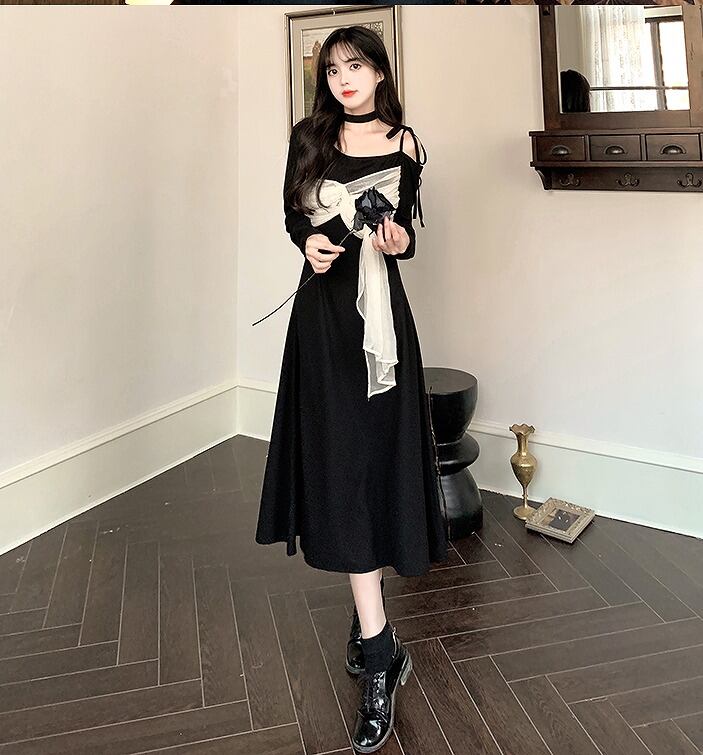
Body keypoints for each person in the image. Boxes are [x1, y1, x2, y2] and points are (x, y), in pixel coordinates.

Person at [254, 24, 449, 753]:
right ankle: (378, 647)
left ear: (379, 73)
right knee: (341, 467)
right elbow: (292, 215)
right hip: (323, 321)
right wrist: (306, 240)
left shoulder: (406, 144)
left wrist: (397, 240)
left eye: (356, 66)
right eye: (332, 68)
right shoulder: (308, 137)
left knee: (374, 462)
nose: (343, 78)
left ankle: (377, 640)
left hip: (383, 327)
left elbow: (407, 234)